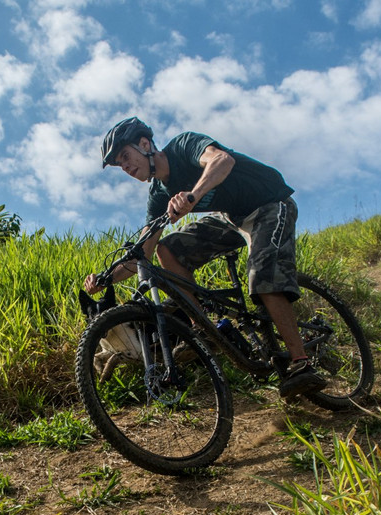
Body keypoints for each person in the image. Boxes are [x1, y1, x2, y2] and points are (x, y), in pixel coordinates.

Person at [85, 116, 326, 398]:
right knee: (167, 249)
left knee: (264, 277)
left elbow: (222, 160)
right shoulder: (158, 194)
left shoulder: (183, 146)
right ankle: (204, 330)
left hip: (269, 204)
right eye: (120, 165)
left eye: (126, 156)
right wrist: (106, 279)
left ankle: (301, 363)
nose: (125, 167)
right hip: (231, 219)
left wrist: (193, 195)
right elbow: (145, 250)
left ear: (145, 143)